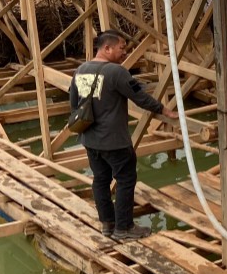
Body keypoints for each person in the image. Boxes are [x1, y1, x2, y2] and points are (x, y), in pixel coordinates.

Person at [69, 30, 178, 240]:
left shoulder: (80, 70)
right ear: (107, 48)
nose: (125, 52)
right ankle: (124, 228)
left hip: (90, 139)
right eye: (122, 48)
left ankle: (107, 224)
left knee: (100, 180)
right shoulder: (115, 72)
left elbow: (74, 105)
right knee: (126, 179)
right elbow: (140, 97)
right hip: (114, 140)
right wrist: (163, 110)